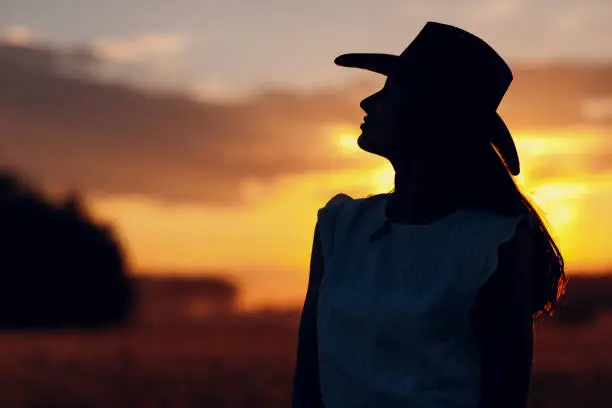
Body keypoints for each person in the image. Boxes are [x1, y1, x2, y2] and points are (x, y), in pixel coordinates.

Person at [291, 22, 567, 408]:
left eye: (390, 91)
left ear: (432, 111)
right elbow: (308, 381)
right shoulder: (339, 227)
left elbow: (504, 397)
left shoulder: (493, 243)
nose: (368, 103)